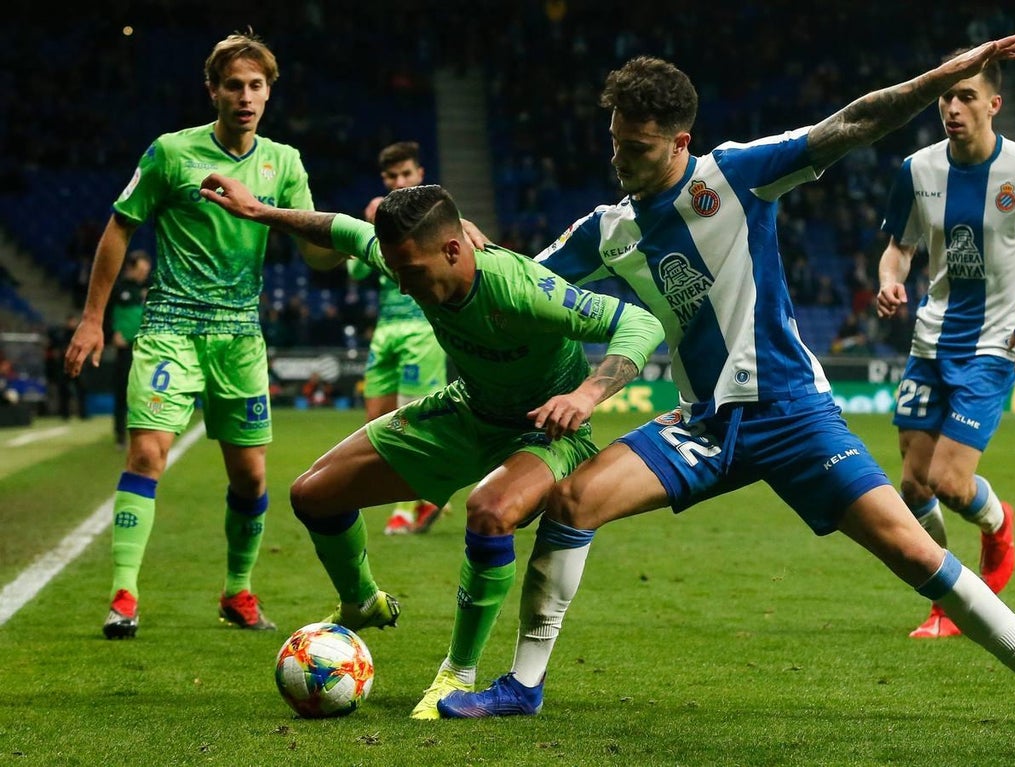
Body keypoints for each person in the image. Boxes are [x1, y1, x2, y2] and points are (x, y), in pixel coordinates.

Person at [438, 31, 1015, 729]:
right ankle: (523, 685)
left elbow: (850, 125)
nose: (619, 159)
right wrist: (459, 241)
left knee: (915, 550)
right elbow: (519, 279)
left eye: (637, 147)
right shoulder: (606, 231)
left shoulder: (735, 175)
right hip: (706, 421)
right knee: (573, 500)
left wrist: (933, 81)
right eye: (615, 141)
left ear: (681, 142)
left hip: (795, 413)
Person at [197, 177, 664, 720]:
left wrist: (586, 394)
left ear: (453, 250)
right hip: (468, 411)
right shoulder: (412, 258)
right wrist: (260, 212)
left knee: (489, 512)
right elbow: (343, 230)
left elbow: (638, 321)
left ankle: (457, 672)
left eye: (411, 273)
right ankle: (362, 602)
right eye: (396, 270)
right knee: (313, 494)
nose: (402, 283)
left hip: (543, 431)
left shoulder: (520, 287)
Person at [64, 30, 346, 640]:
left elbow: (313, 253)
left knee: (250, 478)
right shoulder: (171, 153)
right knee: (146, 454)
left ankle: (237, 591)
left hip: (240, 338)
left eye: (255, 86)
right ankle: (123, 595)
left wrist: (352, 242)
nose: (244, 96)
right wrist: (93, 318)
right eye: (233, 85)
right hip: (169, 327)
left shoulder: (284, 163)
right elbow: (119, 229)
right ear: (212, 90)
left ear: (268, 93)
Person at [873, 48, 1015, 639]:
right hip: (931, 338)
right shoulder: (917, 171)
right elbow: (899, 246)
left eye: (966, 95)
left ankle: (998, 528)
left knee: (951, 483)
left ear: (994, 104)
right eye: (946, 95)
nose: (952, 106)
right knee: (913, 484)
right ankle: (947, 596)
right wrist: (891, 281)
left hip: (997, 342)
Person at [350, 140, 450, 535]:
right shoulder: (379, 218)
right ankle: (426, 494)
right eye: (392, 176)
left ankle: (410, 507)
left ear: (420, 175)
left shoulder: (437, 213)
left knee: (413, 423)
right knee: (376, 424)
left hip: (421, 326)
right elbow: (356, 273)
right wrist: (370, 228)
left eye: (406, 174)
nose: (400, 182)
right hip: (385, 330)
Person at [109, 250, 151, 449]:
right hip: (125, 348)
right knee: (122, 391)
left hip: (145, 349)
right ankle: (120, 434)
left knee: (149, 390)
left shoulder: (147, 290)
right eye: (141, 269)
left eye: (146, 270)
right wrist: (112, 333)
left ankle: (148, 430)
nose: (144, 273)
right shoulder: (118, 288)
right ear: (130, 267)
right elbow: (107, 313)